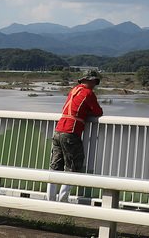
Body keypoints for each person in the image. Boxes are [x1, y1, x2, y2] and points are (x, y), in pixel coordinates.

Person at [46, 72, 103, 202]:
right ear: (87, 81)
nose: (94, 84)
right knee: (73, 165)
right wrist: (87, 113)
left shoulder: (73, 90)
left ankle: (50, 199)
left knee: (55, 166)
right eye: (93, 81)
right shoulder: (88, 93)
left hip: (58, 130)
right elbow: (98, 111)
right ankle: (63, 199)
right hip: (71, 131)